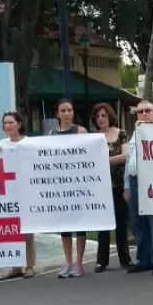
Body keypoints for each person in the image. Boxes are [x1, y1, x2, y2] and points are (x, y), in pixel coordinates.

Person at [124, 101, 153, 276]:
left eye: (147, 111)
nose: (143, 114)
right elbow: (130, 160)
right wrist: (127, 185)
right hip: (135, 181)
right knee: (138, 223)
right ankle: (144, 260)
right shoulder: (135, 133)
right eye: (140, 111)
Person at [90, 103, 133, 273]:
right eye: (98, 116)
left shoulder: (121, 134)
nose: (101, 119)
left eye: (104, 116)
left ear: (110, 116)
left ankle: (125, 258)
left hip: (119, 184)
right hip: (100, 186)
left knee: (121, 222)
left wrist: (105, 160)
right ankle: (102, 261)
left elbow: (126, 156)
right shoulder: (93, 138)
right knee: (103, 223)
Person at [0, 111, 37, 280]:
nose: (8, 126)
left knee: (27, 230)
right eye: (5, 123)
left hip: (25, 191)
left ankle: (29, 265)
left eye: (11, 122)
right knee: (10, 229)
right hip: (7, 192)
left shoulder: (29, 143)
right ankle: (15, 266)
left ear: (19, 124)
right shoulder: (1, 144)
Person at [50, 99, 89, 278]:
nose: (66, 113)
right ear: (57, 114)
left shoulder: (81, 132)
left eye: (69, 110)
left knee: (80, 225)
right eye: (63, 110)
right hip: (61, 185)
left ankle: (79, 263)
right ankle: (68, 261)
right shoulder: (52, 135)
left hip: (78, 184)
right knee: (65, 226)